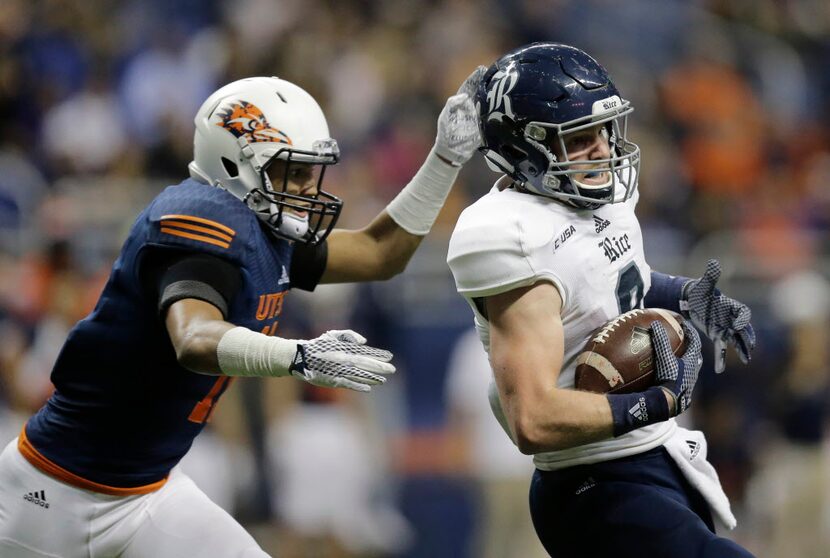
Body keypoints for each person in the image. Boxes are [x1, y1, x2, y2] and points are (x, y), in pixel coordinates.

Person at [0, 71, 483, 557]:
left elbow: (379, 254)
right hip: (53, 492)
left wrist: (444, 157)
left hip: (149, 491)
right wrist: (297, 357)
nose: (308, 189)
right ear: (235, 164)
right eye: (292, 173)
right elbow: (194, 338)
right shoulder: (203, 218)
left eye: (310, 173)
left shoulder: (262, 231)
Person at [446, 43, 757, 558]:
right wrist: (657, 401)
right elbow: (534, 419)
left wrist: (689, 296)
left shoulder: (598, 194)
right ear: (525, 147)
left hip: (653, 457)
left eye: (605, 130)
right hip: (592, 482)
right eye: (581, 137)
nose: (603, 149)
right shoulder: (510, 234)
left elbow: (614, 282)